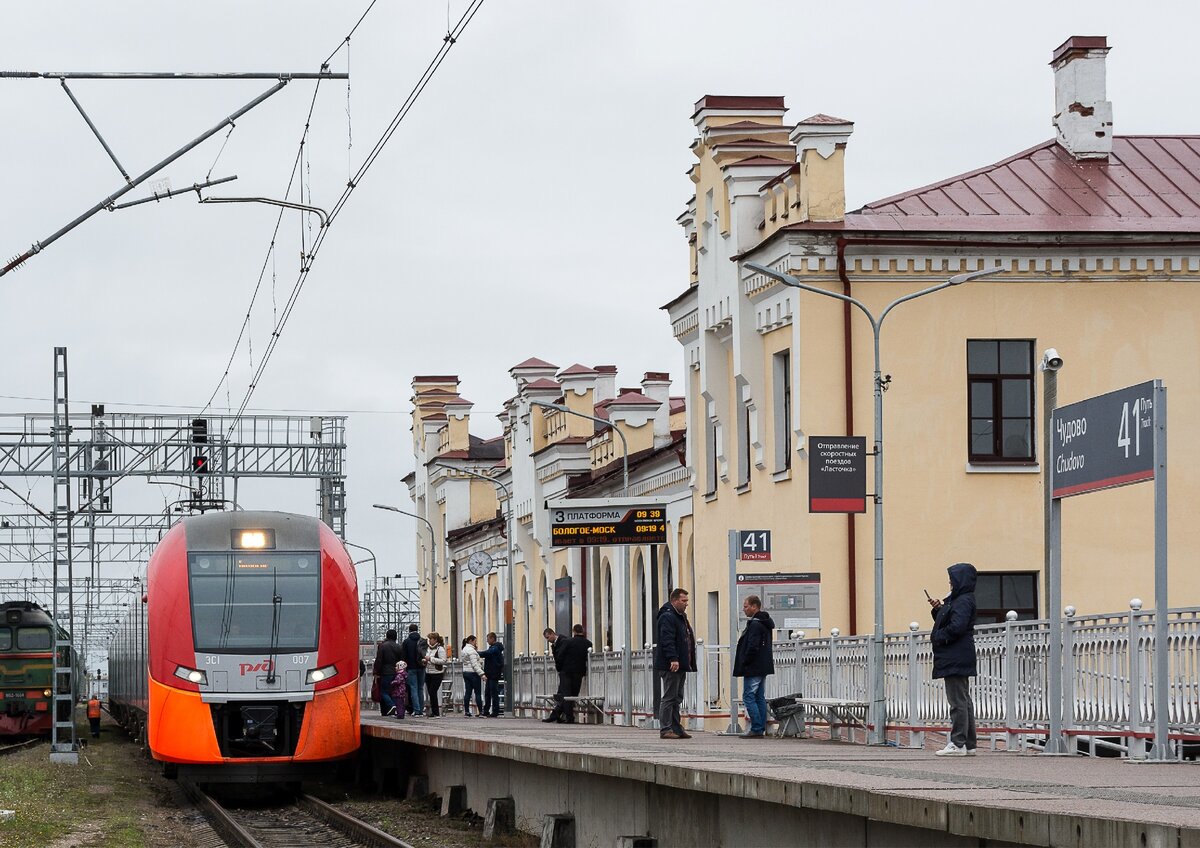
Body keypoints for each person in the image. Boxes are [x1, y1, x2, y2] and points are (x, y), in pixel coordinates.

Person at [929, 562, 979, 756]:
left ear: (960, 580)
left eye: (952, 578)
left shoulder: (962, 600)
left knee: (957, 701)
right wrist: (938, 609)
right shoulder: (959, 600)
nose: (950, 581)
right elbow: (951, 619)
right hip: (958, 655)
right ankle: (969, 743)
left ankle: (958, 743)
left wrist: (937, 636)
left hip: (955, 656)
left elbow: (957, 626)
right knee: (964, 701)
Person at [653, 588, 696, 740]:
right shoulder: (667, 617)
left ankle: (676, 727)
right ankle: (665, 728)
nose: (686, 604)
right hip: (670, 664)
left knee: (677, 697)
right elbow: (667, 640)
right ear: (675, 600)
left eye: (686, 601)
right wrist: (673, 658)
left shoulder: (680, 616)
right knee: (669, 697)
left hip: (681, 663)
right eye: (683, 601)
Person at [733, 595, 775, 739]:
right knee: (759, 697)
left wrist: (744, 661)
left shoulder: (756, 624)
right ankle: (760, 727)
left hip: (754, 666)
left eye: (746, 606)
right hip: (762, 665)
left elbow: (753, 646)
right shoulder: (764, 623)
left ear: (754, 606)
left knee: (749, 696)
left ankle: (757, 728)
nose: (744, 610)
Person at [372, 629, 404, 717]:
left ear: (387, 636)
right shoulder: (399, 647)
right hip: (396, 672)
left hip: (385, 672)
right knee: (393, 691)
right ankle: (395, 709)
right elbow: (402, 660)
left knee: (384, 691)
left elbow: (379, 660)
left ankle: (391, 705)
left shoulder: (383, 646)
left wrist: (376, 672)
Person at [400, 624, 428, 716]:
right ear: (417, 630)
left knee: (413, 688)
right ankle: (421, 709)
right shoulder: (423, 641)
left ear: (409, 630)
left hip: (410, 668)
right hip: (422, 667)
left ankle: (416, 710)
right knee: (420, 688)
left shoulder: (406, 642)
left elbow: (403, 656)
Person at [479, 631, 505, 717]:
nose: (487, 641)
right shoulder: (494, 648)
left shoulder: (495, 648)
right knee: (488, 693)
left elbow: (487, 653)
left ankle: (495, 711)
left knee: (493, 693)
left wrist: (476, 653)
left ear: (492, 639)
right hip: (490, 674)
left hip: (493, 674)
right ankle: (486, 710)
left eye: (488, 639)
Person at [461, 635, 485, 717]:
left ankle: (467, 711)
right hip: (473, 673)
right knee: (477, 693)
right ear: (471, 641)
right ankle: (481, 712)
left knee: (468, 692)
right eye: (475, 641)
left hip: (466, 672)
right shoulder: (471, 651)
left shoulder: (464, 649)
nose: (476, 643)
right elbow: (475, 664)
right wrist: (481, 674)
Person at [424, 632, 447, 717]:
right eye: (429, 639)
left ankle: (436, 712)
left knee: (432, 691)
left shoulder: (440, 649)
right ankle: (434, 711)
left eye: (431, 639)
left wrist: (431, 659)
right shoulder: (428, 649)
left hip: (437, 673)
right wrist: (425, 661)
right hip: (428, 672)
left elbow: (443, 660)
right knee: (430, 692)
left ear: (435, 640)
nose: (429, 641)